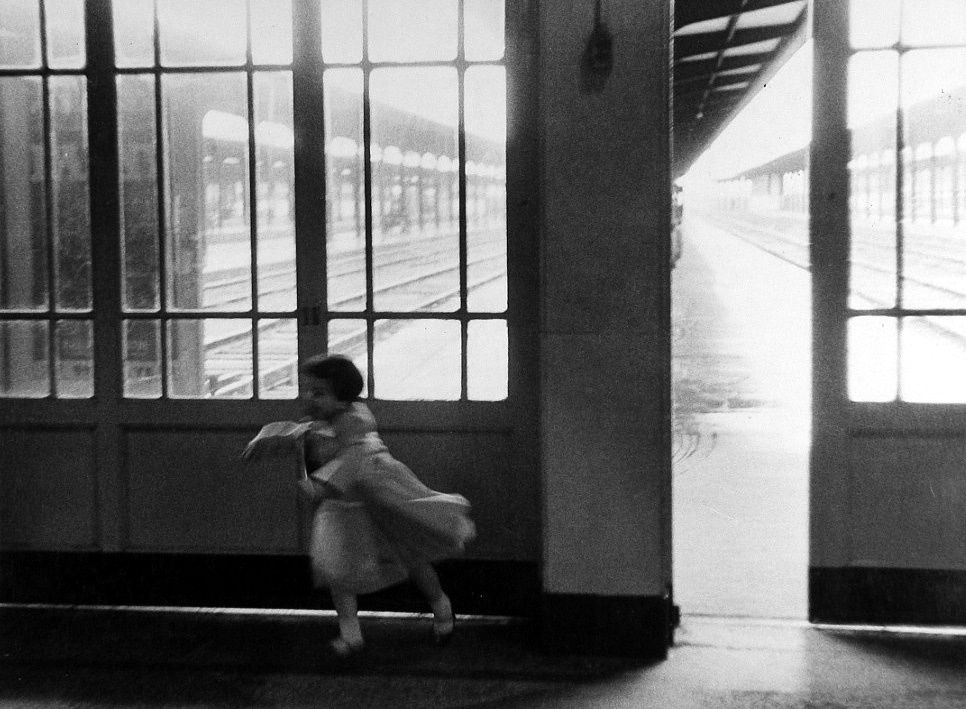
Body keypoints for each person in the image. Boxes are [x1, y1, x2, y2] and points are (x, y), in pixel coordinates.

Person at [243, 354, 475, 658]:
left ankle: (442, 608)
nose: (309, 398)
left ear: (342, 400)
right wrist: (268, 437)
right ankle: (350, 633)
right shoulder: (323, 421)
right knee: (338, 571)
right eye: (308, 390)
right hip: (342, 509)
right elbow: (301, 433)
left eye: (319, 393)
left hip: (379, 504)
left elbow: (353, 460)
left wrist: (321, 485)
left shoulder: (357, 425)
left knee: (412, 557)